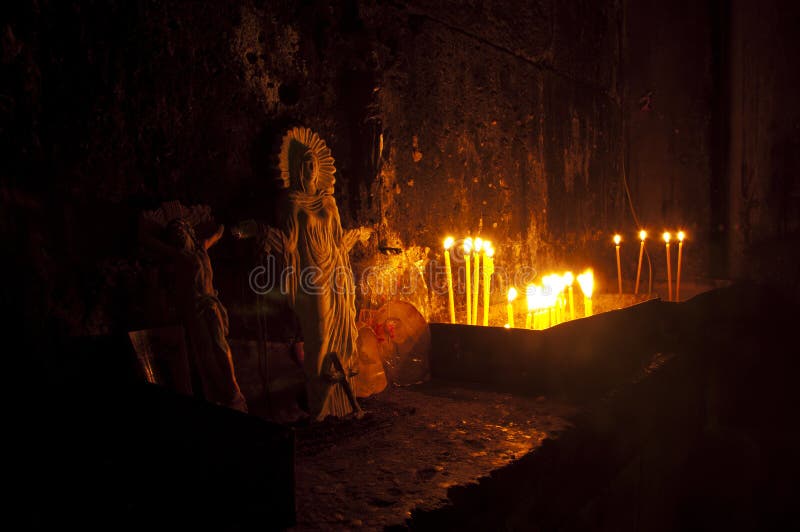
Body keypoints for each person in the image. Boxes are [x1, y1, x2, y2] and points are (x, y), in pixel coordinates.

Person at [141, 216, 248, 413]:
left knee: (220, 345)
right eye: (174, 235)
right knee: (205, 349)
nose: (179, 236)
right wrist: (144, 227)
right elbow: (149, 242)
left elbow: (218, 233)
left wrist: (230, 227)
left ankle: (233, 389)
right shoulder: (178, 255)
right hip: (195, 308)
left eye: (181, 231)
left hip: (211, 303)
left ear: (190, 233)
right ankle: (217, 392)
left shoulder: (201, 248)